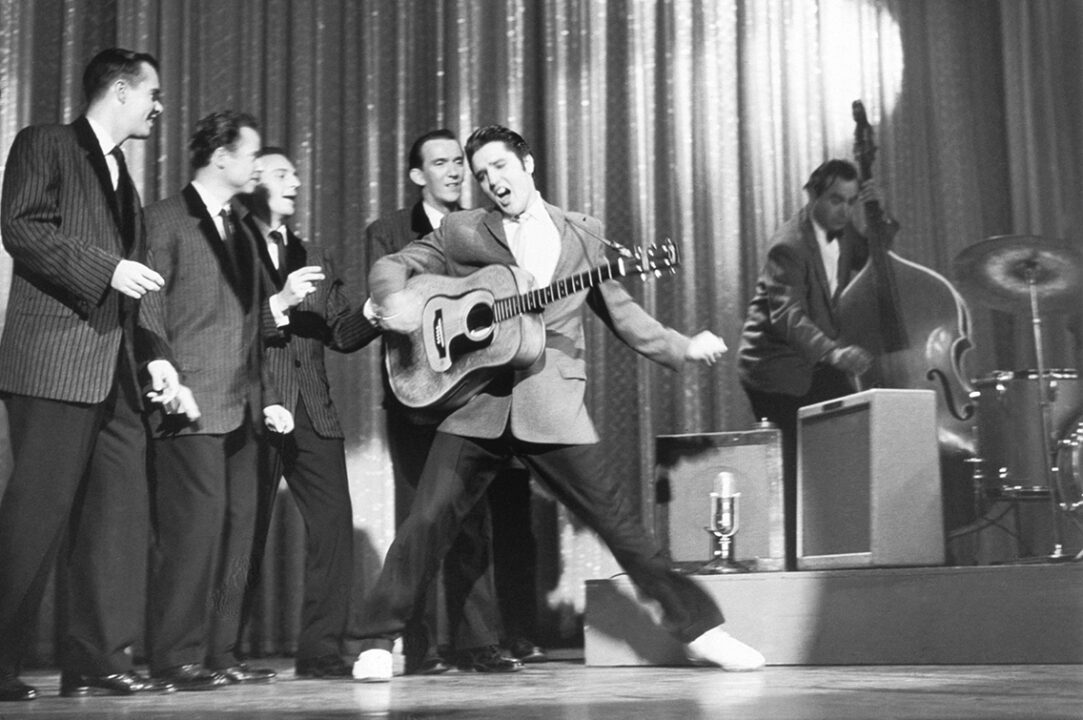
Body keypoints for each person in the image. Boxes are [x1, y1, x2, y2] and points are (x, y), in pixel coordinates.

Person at [351, 124, 764, 683]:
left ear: (528, 164)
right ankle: (378, 639)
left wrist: (683, 346)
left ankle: (701, 630)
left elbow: (623, 315)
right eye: (482, 175)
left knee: (618, 523)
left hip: (551, 401)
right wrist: (392, 299)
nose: (492, 181)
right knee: (427, 520)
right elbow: (393, 264)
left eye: (500, 167)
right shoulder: (463, 230)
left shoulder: (582, 233)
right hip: (477, 402)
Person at [0, 48, 181, 702]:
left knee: (115, 519)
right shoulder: (45, 143)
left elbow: (134, 285)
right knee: (35, 518)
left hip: (115, 373)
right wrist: (104, 268)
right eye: (152, 94)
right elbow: (20, 226)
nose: (158, 106)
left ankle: (97, 659)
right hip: (53, 363)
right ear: (122, 91)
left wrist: (156, 354)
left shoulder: (121, 173)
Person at [364, 129, 524, 674]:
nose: (455, 171)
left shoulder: (481, 227)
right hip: (413, 395)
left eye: (460, 161)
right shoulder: (387, 232)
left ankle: (477, 643)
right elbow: (386, 309)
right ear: (417, 175)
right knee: (420, 520)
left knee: (471, 519)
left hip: (469, 393)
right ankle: (416, 646)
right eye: (441, 163)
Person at [140, 111, 290, 691]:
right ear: (221, 157)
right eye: (252, 155)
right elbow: (149, 307)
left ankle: (221, 651)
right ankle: (173, 656)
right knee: (192, 532)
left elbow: (255, 321)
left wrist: (271, 395)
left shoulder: (246, 228)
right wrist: (166, 375)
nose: (259, 166)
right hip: (189, 402)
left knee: (238, 533)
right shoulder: (164, 220)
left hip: (244, 403)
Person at [237, 147, 380, 678]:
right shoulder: (231, 246)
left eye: (295, 173)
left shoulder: (313, 252)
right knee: (242, 534)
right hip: (255, 405)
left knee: (333, 528)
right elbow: (222, 328)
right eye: (280, 174)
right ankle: (220, 651)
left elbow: (340, 332)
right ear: (253, 181)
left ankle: (320, 651)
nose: (294, 181)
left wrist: (372, 311)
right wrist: (279, 299)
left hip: (314, 410)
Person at [737, 158, 894, 569]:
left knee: (844, 444)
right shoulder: (788, 244)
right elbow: (786, 315)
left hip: (815, 361)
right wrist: (833, 352)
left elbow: (874, 250)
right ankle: (788, 563)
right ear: (813, 196)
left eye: (849, 202)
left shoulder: (845, 235)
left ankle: (831, 552)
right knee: (794, 467)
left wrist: (880, 214)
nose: (843, 210)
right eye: (835, 201)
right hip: (775, 367)